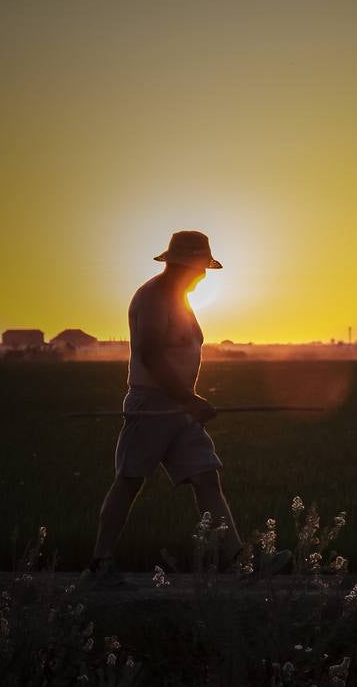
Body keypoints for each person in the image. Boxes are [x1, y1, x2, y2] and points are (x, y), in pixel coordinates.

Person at [80, 230, 291, 588]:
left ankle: (238, 562)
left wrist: (186, 402)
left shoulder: (178, 299)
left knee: (206, 476)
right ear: (183, 265)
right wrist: (189, 400)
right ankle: (99, 564)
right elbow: (150, 354)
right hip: (153, 405)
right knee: (129, 480)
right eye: (200, 267)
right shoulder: (153, 298)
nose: (204, 275)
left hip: (179, 407)